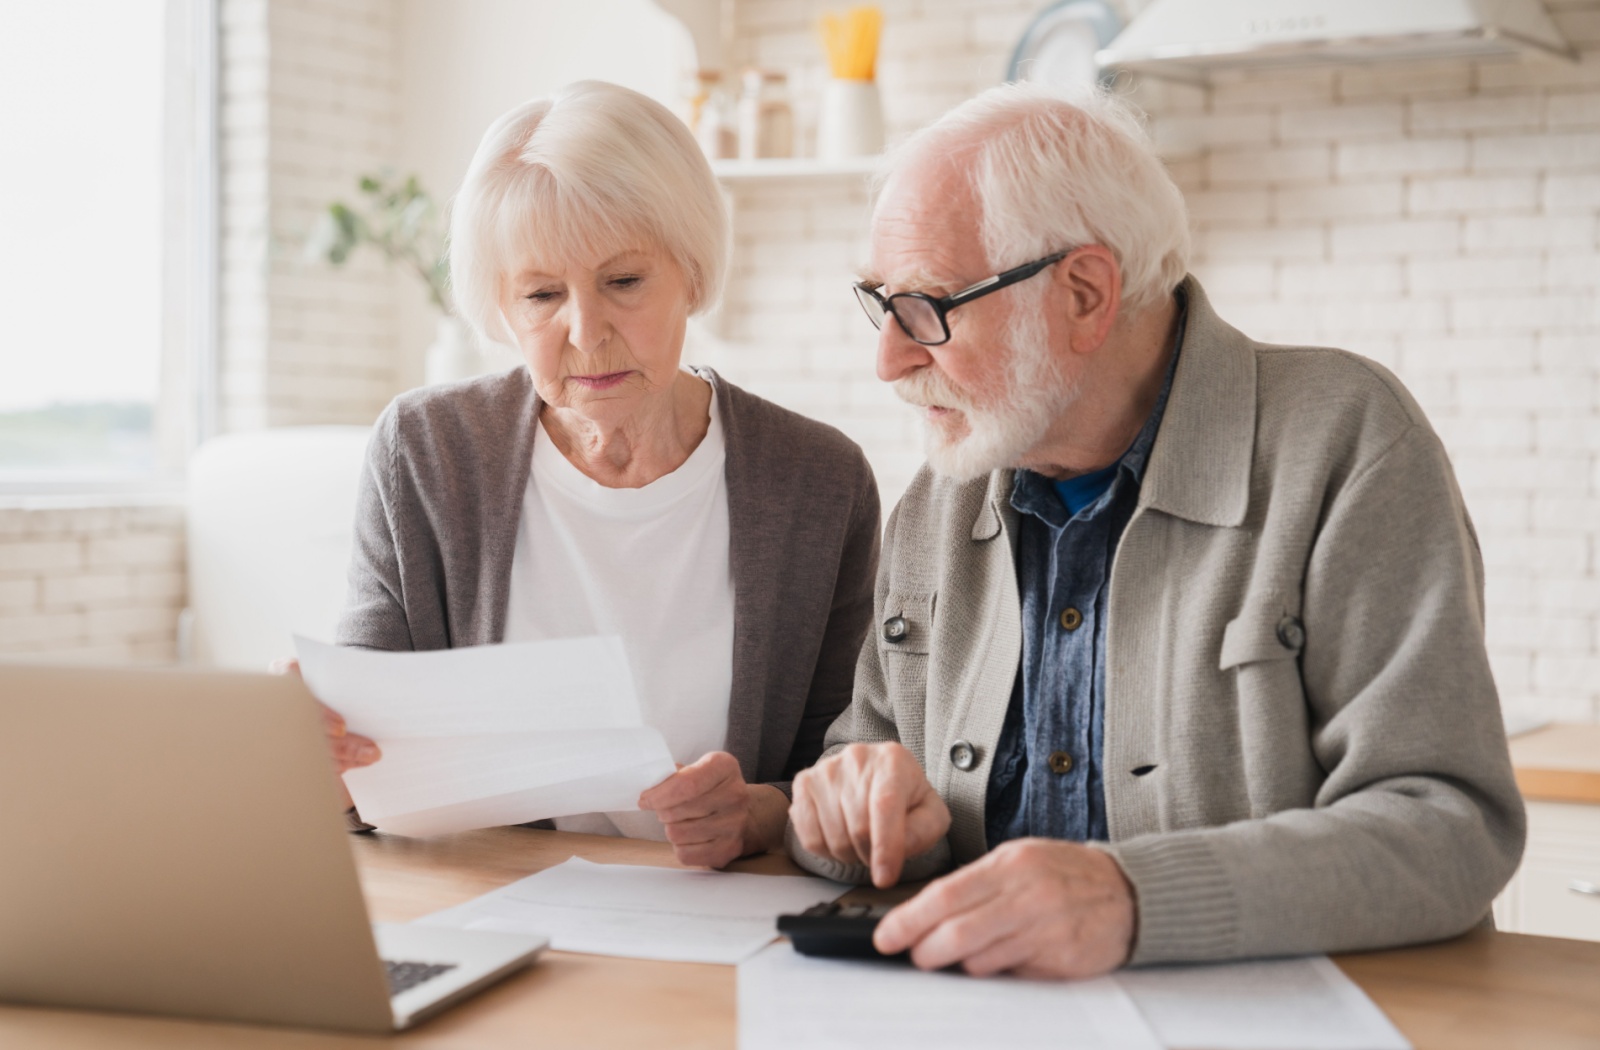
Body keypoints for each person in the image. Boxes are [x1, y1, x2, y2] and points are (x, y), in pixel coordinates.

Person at [786, 82, 1526, 978]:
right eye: (881, 302)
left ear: (1086, 293)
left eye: (928, 308)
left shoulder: (1346, 442)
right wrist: (851, 812)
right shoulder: (940, 497)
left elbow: (1449, 827)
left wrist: (1133, 899)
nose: (889, 359)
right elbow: (860, 761)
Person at [318, 80, 879, 870]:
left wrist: (757, 813)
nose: (586, 332)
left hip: (718, 912)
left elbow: (849, 764)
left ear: (690, 269)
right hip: (486, 905)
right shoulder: (425, 453)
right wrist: (321, 752)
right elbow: (363, 764)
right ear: (503, 309)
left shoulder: (819, 482)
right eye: (543, 294)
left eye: (623, 282)